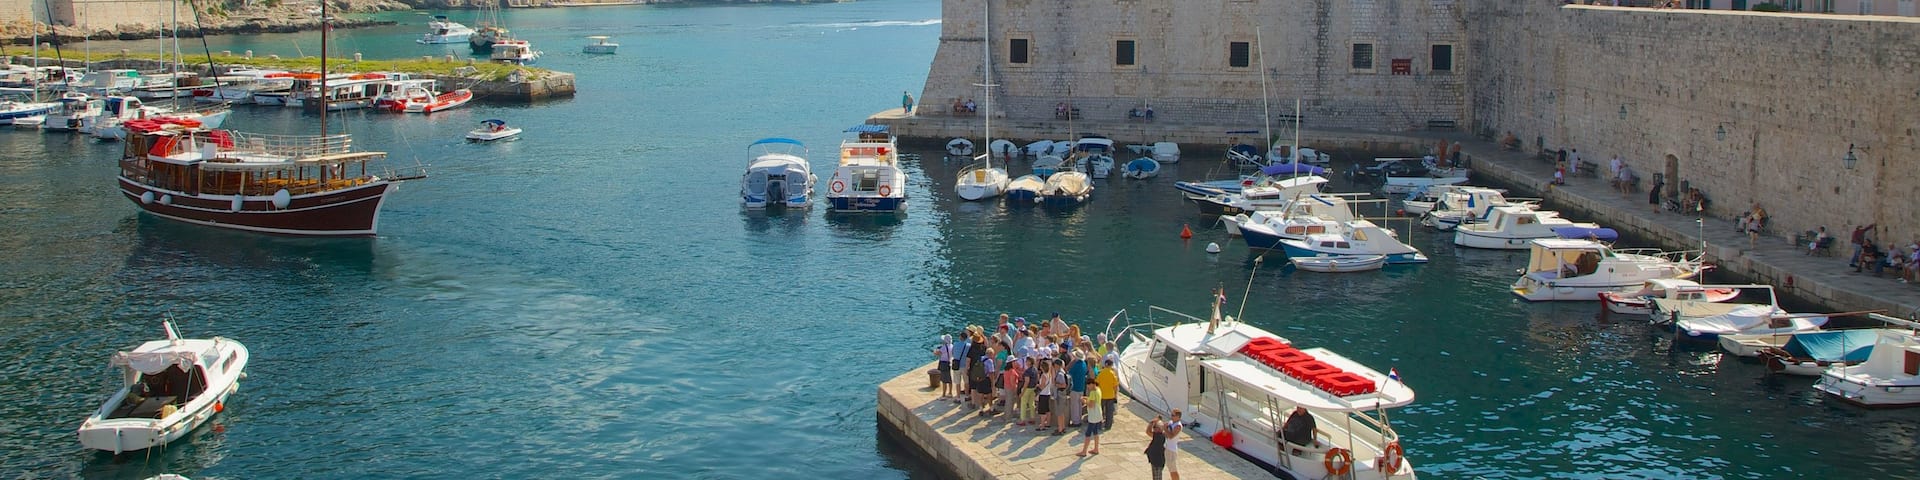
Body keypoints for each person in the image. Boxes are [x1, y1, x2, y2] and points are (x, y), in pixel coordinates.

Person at [1077, 382, 1104, 456]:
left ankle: (1084, 451)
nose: (1088, 387)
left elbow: (1091, 405)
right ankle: (1096, 448)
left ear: (1092, 384)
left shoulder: (1092, 393)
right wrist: (1086, 398)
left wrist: (1084, 401)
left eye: (1088, 385)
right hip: (1098, 413)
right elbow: (1093, 400)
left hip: (1093, 415)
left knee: (1088, 433)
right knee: (1095, 431)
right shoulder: (1098, 390)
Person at [1095, 358, 1118, 432]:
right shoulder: (1112, 374)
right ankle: (1108, 426)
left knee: (1100, 411)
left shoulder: (1101, 373)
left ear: (1105, 364)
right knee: (1109, 412)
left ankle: (1098, 425)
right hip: (1110, 395)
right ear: (1111, 365)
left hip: (1102, 395)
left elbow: (1096, 384)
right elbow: (1115, 386)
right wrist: (1115, 394)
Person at [1166, 409, 1185, 480]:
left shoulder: (1178, 426)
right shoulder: (1171, 422)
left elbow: (1171, 436)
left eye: (1173, 415)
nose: (1171, 417)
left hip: (1172, 449)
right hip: (1167, 447)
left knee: (1173, 469)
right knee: (1170, 467)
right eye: (1171, 415)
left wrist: (1165, 428)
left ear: (1178, 417)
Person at [936, 334, 955, 399]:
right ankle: (950, 392)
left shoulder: (944, 347)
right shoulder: (952, 346)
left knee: (944, 380)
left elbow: (938, 353)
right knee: (949, 379)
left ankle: (943, 395)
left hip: (943, 363)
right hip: (948, 363)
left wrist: (935, 351)